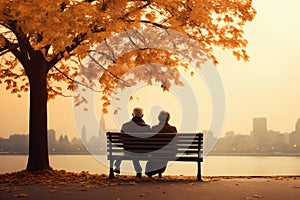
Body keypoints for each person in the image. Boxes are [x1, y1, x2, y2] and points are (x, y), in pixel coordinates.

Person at [114, 107, 151, 178]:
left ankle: (118, 166)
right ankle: (138, 171)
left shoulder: (125, 126)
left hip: (129, 151)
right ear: (142, 115)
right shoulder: (147, 127)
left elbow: (121, 139)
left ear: (132, 114)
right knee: (136, 151)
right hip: (143, 152)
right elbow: (150, 141)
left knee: (132, 150)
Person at [145, 111, 177, 178]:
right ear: (168, 119)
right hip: (169, 153)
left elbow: (150, 142)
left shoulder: (154, 128)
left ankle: (154, 171)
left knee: (156, 156)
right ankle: (159, 171)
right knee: (163, 155)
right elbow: (175, 142)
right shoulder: (173, 129)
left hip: (156, 152)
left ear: (159, 118)